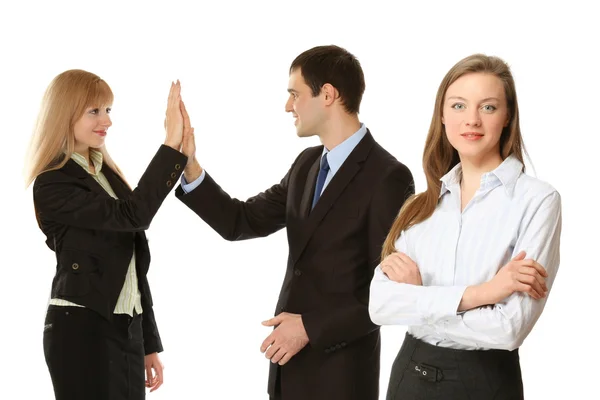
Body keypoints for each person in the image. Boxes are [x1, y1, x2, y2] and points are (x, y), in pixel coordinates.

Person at [174, 45, 414, 400]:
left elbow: (389, 293)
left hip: (340, 375)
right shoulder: (306, 165)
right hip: (288, 370)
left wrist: (309, 328)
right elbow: (240, 220)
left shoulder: (388, 176)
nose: (288, 106)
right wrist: (190, 165)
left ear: (328, 94)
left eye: (295, 94)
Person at [368, 54, 561, 400]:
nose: (471, 120)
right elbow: (380, 305)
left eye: (488, 107)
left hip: (484, 382)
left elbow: (508, 329)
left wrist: (418, 298)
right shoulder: (419, 206)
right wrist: (481, 294)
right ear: (442, 115)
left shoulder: (537, 201)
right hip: (409, 377)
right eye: (458, 106)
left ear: (507, 117)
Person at [27, 70, 190, 400]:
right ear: (64, 113)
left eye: (108, 110)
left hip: (124, 329)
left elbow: (131, 269)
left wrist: (147, 343)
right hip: (80, 327)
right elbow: (135, 215)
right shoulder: (53, 183)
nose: (107, 121)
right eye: (94, 111)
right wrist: (171, 145)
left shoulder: (108, 177)